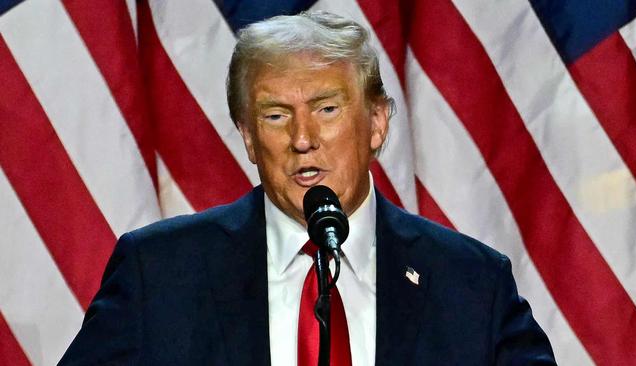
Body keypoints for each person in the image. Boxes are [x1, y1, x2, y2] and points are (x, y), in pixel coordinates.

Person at [59, 11, 556, 366]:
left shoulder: (470, 283)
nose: (303, 139)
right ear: (249, 138)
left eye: (326, 109)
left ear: (377, 123)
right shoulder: (161, 273)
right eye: (276, 116)